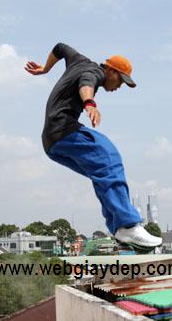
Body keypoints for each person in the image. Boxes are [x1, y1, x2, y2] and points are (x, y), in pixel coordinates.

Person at [24, 42, 162, 250]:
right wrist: (90, 103)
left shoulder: (78, 60)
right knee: (109, 158)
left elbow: (60, 47)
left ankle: (120, 232)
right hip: (63, 130)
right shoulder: (95, 72)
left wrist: (45, 68)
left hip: (51, 141)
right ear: (110, 70)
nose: (118, 87)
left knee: (101, 172)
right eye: (120, 81)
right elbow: (86, 84)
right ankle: (127, 225)